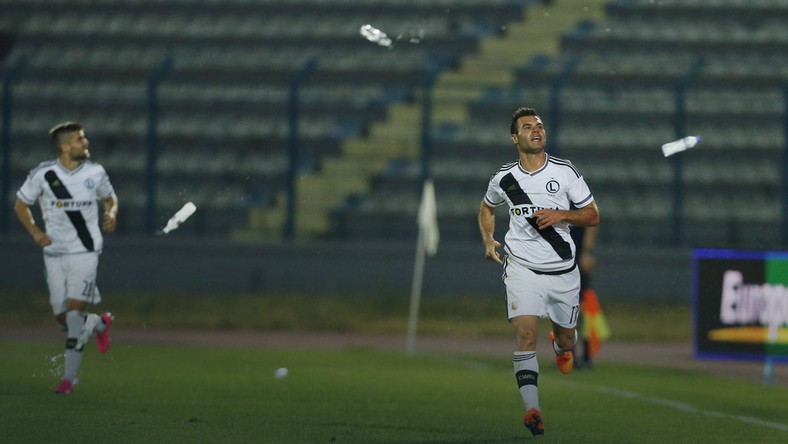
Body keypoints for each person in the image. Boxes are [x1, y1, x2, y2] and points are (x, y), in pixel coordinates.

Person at [477, 107, 599, 437]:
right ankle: (533, 409)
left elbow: (592, 215)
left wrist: (562, 215)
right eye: (528, 126)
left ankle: (560, 346)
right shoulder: (504, 178)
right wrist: (488, 238)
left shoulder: (565, 171)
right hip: (522, 269)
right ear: (514, 138)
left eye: (540, 126)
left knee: (567, 341)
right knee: (526, 335)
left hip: (563, 272)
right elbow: (487, 207)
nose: (536, 130)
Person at [14, 121, 118, 395]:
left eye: (84, 138)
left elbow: (110, 198)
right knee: (62, 318)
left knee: (72, 317)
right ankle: (99, 323)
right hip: (55, 255)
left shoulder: (96, 172)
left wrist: (112, 212)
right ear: (64, 146)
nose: (85, 142)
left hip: (85, 251)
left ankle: (67, 381)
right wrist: (36, 232)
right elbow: (20, 205)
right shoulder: (43, 174)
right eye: (78, 139)